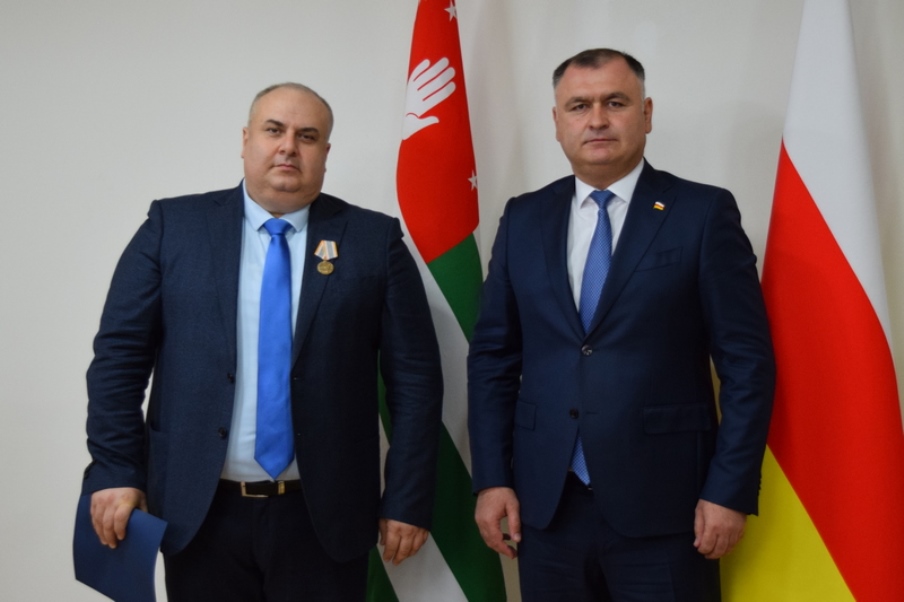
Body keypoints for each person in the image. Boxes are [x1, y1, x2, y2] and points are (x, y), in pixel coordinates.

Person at [82, 82, 443, 601]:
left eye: (307, 136)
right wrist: (116, 469)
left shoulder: (373, 241)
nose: (288, 147)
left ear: (325, 152)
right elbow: (118, 360)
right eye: (274, 130)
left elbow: (416, 381)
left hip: (325, 517)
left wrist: (407, 496)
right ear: (246, 139)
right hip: (198, 514)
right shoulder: (172, 228)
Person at [468, 49, 775, 601]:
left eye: (615, 102)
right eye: (579, 106)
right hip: (546, 506)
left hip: (670, 509)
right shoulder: (523, 218)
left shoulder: (702, 213)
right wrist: (492, 478)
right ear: (557, 122)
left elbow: (747, 364)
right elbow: (493, 358)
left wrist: (729, 489)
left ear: (646, 113)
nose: (597, 119)